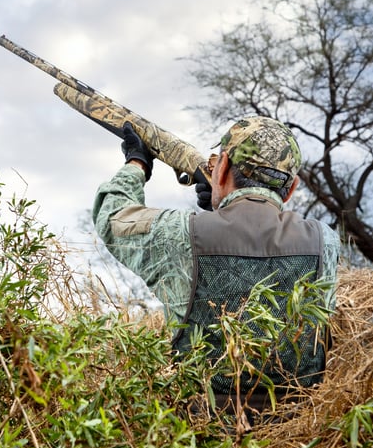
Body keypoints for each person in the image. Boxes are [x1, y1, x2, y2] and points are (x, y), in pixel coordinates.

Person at [92, 117, 339, 415]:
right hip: (300, 432)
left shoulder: (181, 232)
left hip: (201, 435)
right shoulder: (325, 240)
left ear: (220, 168)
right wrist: (221, 206)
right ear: (291, 189)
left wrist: (137, 163)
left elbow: (113, 217)